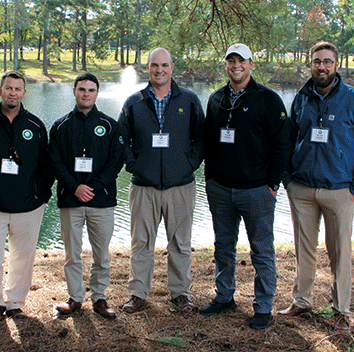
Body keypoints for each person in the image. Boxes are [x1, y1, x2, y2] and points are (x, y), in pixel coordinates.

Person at [278, 41, 354, 331]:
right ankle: (302, 301)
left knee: (340, 252)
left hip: (340, 190)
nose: (322, 67)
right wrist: (288, 180)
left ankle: (341, 309)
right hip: (303, 189)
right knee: (303, 249)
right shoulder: (302, 98)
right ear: (310, 64)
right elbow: (288, 140)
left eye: (327, 61)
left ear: (337, 64)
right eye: (317, 61)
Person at [200, 43, 289, 330]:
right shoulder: (216, 99)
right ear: (225, 65)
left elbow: (282, 146)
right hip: (221, 189)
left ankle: (263, 306)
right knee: (223, 247)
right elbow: (208, 144)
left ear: (251, 64)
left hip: (256, 191)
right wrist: (210, 179)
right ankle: (224, 296)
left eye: (241, 60)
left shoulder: (268, 100)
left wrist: (272, 185)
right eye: (230, 61)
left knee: (261, 250)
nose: (235, 65)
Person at [118, 47, 205, 313]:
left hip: (181, 186)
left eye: (164, 65)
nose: (159, 70)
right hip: (144, 186)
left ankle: (180, 293)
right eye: (154, 65)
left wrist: (188, 164)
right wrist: (135, 165)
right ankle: (138, 293)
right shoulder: (134, 102)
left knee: (180, 243)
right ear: (147, 68)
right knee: (141, 243)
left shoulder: (188, 100)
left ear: (172, 68)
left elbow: (201, 139)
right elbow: (122, 140)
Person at [0, 71, 55, 323]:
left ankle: (15, 302)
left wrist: (42, 196)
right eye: (8, 88)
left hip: (28, 205)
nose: (13, 93)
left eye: (18, 89)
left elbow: (45, 166)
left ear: (24, 93)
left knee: (23, 258)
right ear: (0, 91)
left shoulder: (36, 126)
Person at [49, 73, 124, 319]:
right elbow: (55, 162)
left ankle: (100, 297)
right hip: (71, 199)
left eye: (91, 90)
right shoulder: (60, 126)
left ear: (97, 93)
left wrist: (94, 186)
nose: (86, 94)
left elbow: (116, 161)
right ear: (74, 92)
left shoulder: (110, 125)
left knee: (101, 253)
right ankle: (75, 297)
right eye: (82, 89)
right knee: (72, 253)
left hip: (101, 200)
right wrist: (75, 187)